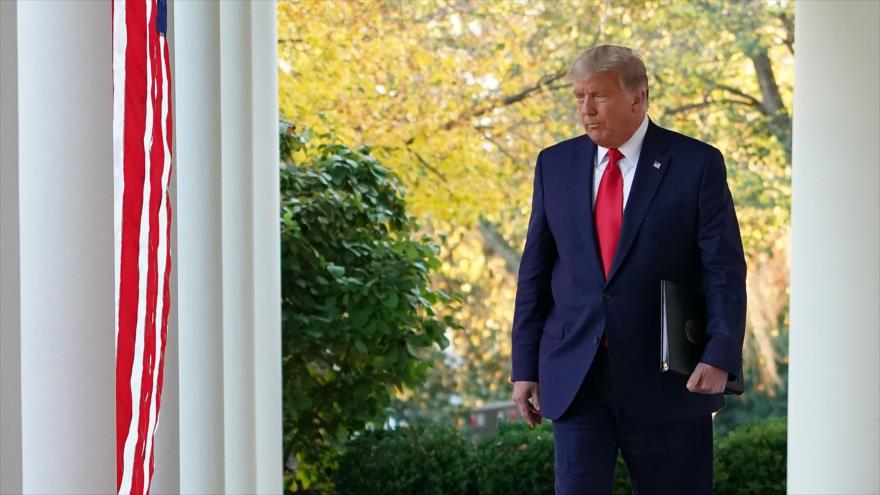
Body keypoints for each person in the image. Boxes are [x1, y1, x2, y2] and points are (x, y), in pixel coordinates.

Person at [509, 44, 746, 494]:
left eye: (597, 96)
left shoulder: (696, 164)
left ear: (638, 97)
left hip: (670, 382)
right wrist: (525, 366)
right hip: (577, 377)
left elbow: (724, 270)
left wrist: (719, 355)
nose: (585, 109)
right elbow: (535, 272)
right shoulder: (554, 164)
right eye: (578, 97)